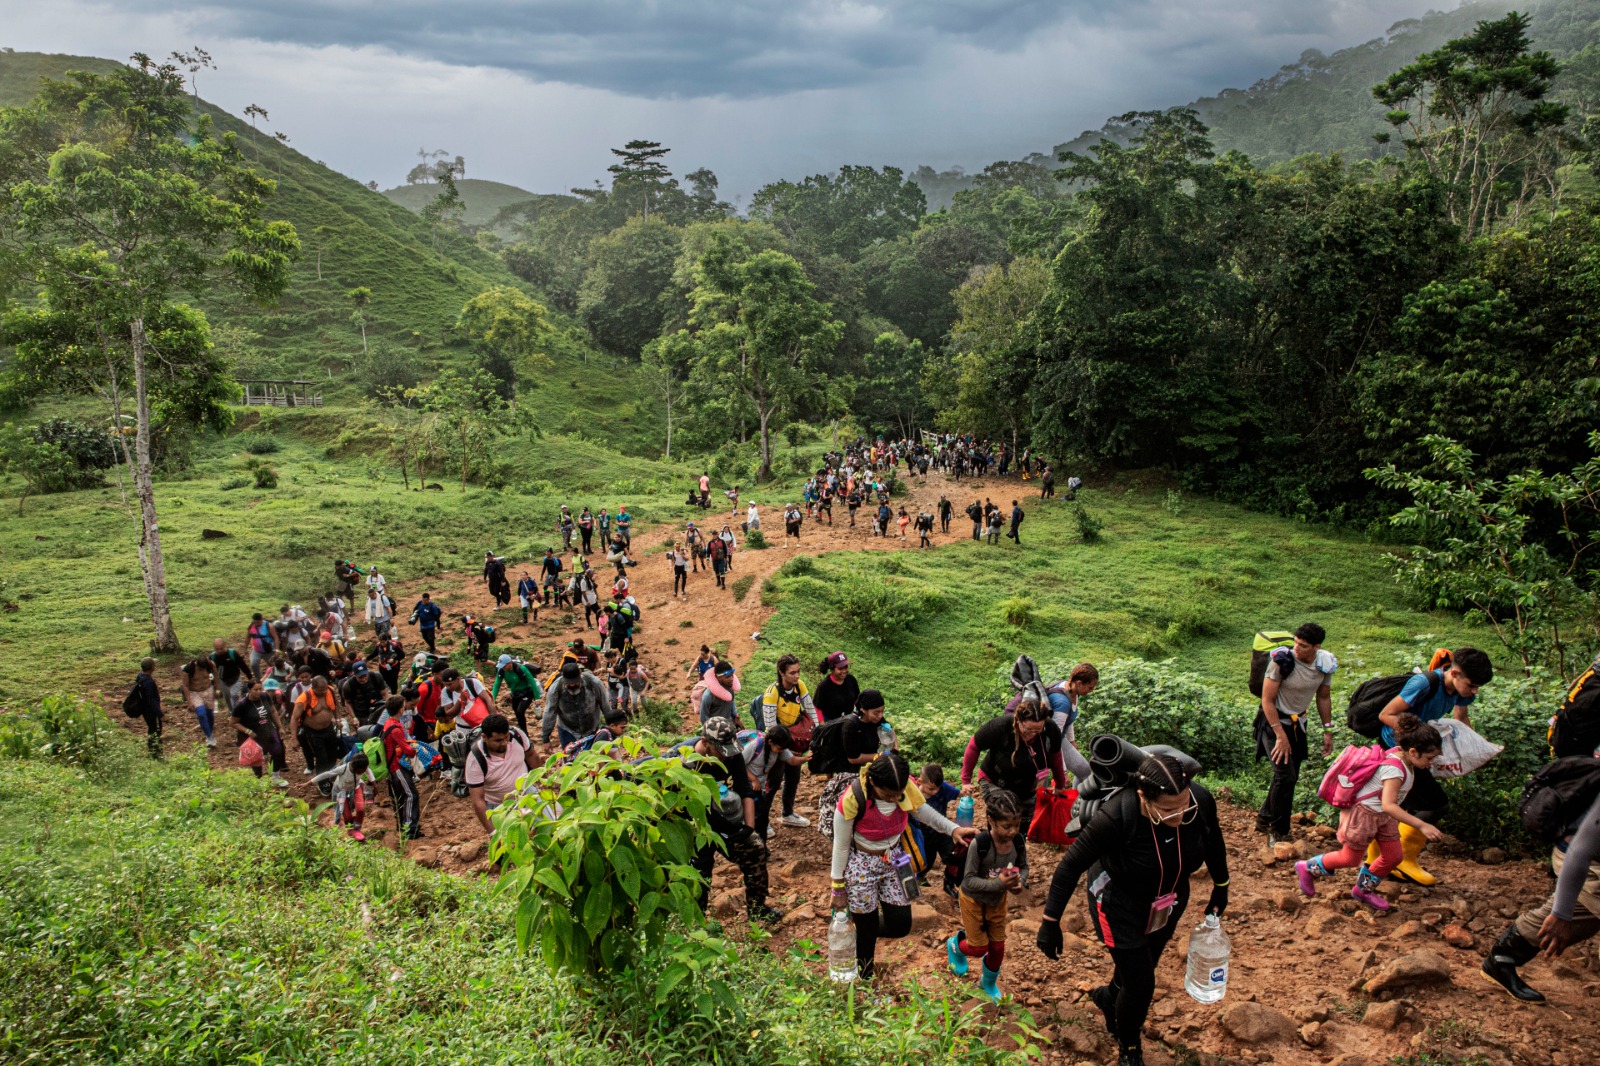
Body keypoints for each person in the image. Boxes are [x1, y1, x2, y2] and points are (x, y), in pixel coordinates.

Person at [1036, 755, 1230, 1066]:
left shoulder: (1200, 802)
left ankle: (1108, 997)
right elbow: (1070, 865)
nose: (1180, 814)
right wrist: (1050, 921)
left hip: (1170, 899)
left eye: (1184, 804)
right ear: (1143, 796)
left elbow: (1214, 841)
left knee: (1142, 967)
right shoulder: (1118, 815)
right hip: (1117, 903)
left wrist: (1222, 885)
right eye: (1168, 809)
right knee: (1141, 985)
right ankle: (1128, 1045)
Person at [829, 751, 976, 980]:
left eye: (898, 796)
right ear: (874, 782)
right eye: (888, 795)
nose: (894, 800)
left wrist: (953, 829)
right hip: (862, 865)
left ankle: (860, 928)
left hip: (895, 859)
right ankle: (865, 979)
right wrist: (837, 888)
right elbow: (840, 846)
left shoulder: (904, 787)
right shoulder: (853, 798)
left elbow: (922, 811)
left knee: (900, 925)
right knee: (867, 937)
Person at [1295, 714, 1444, 911]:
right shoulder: (1395, 770)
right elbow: (1389, 804)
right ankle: (1307, 867)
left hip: (1383, 816)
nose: (1431, 763)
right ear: (1414, 752)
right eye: (1429, 758)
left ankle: (1363, 890)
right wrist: (1422, 824)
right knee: (1350, 859)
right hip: (1364, 815)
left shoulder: (1405, 757)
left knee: (1393, 856)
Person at [1371, 646, 1494, 884]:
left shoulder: (1462, 691)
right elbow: (1386, 715)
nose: (1475, 691)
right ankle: (1401, 860)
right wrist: (1419, 738)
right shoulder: (1423, 684)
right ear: (1455, 673)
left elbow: (1461, 717)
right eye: (1472, 685)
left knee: (1403, 804)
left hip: (1419, 750)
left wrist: (1476, 750)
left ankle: (1377, 858)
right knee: (1435, 804)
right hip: (1399, 749)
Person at [1483, 786, 1600, 1002]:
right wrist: (1561, 913)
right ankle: (1502, 958)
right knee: (1583, 910)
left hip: (1585, 854)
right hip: (1584, 858)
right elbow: (1580, 852)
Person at [668, 717, 783, 923]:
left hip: (725, 820)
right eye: (721, 750)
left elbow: (744, 789)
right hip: (694, 825)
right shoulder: (681, 759)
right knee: (700, 872)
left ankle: (758, 910)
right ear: (705, 742)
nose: (725, 755)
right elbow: (643, 770)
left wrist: (748, 828)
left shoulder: (731, 753)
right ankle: (697, 922)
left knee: (755, 850)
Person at [1255, 623, 1337, 846]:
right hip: (1273, 723)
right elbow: (1267, 701)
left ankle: (1264, 818)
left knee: (1289, 775)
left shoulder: (1324, 665)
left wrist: (1327, 731)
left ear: (1316, 647)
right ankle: (1278, 830)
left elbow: (1323, 697)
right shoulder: (1281, 662)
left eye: (1303, 645)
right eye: (1295, 642)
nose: (1296, 648)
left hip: (1298, 724)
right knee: (1285, 776)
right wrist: (1280, 736)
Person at [948, 789, 1028, 1002]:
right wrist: (998, 883)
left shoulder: (1018, 842)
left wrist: (1020, 882)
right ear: (991, 821)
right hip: (973, 899)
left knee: (997, 947)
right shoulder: (980, 844)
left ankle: (988, 983)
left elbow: (1024, 867)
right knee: (977, 947)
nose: (1012, 831)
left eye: (1016, 825)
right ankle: (955, 945)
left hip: (997, 901)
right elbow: (968, 880)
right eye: (1006, 826)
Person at [960, 699, 1067, 837]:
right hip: (996, 781)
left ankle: (1017, 853)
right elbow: (974, 746)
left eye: (1038, 729)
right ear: (1018, 721)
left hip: (1027, 786)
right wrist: (966, 780)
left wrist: (1060, 783)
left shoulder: (1050, 730)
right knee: (1004, 817)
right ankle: (994, 850)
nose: (1033, 733)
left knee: (1020, 826)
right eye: (1028, 729)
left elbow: (1056, 756)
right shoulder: (1001, 726)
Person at [817, 689, 892, 837]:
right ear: (863, 710)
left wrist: (892, 745)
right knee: (853, 806)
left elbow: (890, 733)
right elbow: (853, 758)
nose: (880, 716)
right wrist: (879, 756)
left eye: (882, 711)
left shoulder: (877, 720)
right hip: (850, 772)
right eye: (876, 712)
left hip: (868, 768)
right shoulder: (850, 726)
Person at [761, 655, 818, 828]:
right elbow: (771, 728)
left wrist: (817, 731)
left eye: (798, 671)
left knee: (793, 778)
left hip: (795, 739)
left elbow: (810, 709)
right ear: (781, 673)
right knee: (773, 781)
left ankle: (788, 813)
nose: (797, 676)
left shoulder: (799, 687)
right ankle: (763, 820)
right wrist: (785, 753)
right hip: (777, 743)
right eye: (792, 673)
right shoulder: (772, 694)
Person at [464, 714, 538, 835]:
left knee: (548, 826)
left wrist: (544, 780)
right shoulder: (475, 759)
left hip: (527, 794)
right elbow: (478, 800)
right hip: (499, 806)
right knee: (512, 843)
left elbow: (531, 755)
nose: (504, 743)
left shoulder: (517, 736)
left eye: (506, 737)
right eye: (498, 740)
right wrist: (493, 833)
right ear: (484, 737)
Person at [743, 725, 805, 843]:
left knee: (761, 812)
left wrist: (805, 759)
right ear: (771, 742)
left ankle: (761, 839)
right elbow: (739, 764)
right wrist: (753, 780)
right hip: (748, 784)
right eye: (780, 748)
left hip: (760, 786)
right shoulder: (755, 746)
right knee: (753, 812)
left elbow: (791, 760)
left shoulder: (778, 746)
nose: (781, 751)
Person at [290, 676, 352, 778]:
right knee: (321, 757)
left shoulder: (330, 691)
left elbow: (335, 705)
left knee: (332, 753)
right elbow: (294, 718)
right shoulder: (304, 698)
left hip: (328, 727)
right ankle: (322, 780)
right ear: (313, 688)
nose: (324, 692)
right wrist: (294, 738)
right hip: (313, 731)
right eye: (320, 690)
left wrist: (337, 719)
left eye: (325, 689)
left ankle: (331, 775)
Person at [232, 680, 288, 787]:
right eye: (255, 690)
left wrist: (280, 726)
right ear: (249, 690)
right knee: (257, 757)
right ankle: (259, 780)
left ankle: (275, 776)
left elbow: (273, 711)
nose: (258, 692)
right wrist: (247, 731)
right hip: (255, 734)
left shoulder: (265, 697)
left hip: (269, 729)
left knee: (278, 751)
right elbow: (233, 723)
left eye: (260, 689)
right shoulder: (242, 705)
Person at [541, 662, 610, 748]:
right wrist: (545, 738)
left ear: (580, 674)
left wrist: (611, 726)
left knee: (592, 758)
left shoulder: (593, 683)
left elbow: (605, 705)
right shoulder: (555, 689)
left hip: (592, 728)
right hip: (567, 730)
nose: (572, 684)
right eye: (569, 682)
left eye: (575, 681)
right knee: (570, 759)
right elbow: (549, 712)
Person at [919, 762, 962, 895]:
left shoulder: (942, 787)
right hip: (925, 836)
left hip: (943, 832)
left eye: (937, 788)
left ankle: (949, 883)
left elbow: (957, 793)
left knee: (952, 857)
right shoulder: (915, 796)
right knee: (926, 861)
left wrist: (965, 792)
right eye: (931, 789)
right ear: (920, 781)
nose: (935, 792)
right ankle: (919, 879)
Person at [311, 751, 375, 839]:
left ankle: (357, 829)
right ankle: (350, 829)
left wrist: (375, 786)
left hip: (355, 788)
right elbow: (327, 774)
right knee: (347, 816)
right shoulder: (343, 769)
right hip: (341, 792)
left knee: (360, 810)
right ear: (355, 768)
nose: (363, 772)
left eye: (364, 769)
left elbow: (369, 772)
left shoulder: (363, 766)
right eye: (361, 771)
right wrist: (310, 782)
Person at [381, 709, 422, 839]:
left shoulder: (388, 723)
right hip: (397, 766)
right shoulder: (396, 729)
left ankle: (402, 825)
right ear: (400, 709)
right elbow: (408, 750)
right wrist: (416, 749)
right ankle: (409, 828)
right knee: (411, 794)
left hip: (392, 766)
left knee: (399, 796)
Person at [492, 654, 544, 735]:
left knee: (520, 711)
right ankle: (523, 733)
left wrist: (537, 698)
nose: (502, 668)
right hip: (515, 693)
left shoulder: (521, 668)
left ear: (509, 663)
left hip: (527, 692)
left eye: (504, 666)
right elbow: (496, 685)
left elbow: (532, 682)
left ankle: (525, 734)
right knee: (517, 713)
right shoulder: (501, 671)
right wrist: (492, 699)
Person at [180, 656, 218, 748]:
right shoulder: (188, 669)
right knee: (201, 714)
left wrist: (217, 691)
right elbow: (185, 686)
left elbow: (216, 676)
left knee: (210, 715)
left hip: (208, 690)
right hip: (195, 693)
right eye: (200, 668)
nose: (202, 670)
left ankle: (209, 732)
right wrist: (189, 701)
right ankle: (209, 737)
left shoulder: (210, 665)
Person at [812, 651, 860, 724]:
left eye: (846, 667)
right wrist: (822, 726)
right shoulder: (824, 686)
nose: (844, 671)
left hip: (848, 720)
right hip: (830, 723)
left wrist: (856, 714)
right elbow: (817, 708)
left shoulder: (851, 680)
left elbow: (858, 699)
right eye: (840, 668)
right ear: (832, 668)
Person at [210, 638, 254, 716]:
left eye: (221, 648)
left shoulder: (232, 653)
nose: (219, 651)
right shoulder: (212, 657)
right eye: (217, 649)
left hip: (235, 678)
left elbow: (242, 665)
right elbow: (210, 671)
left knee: (234, 695)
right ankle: (232, 711)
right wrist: (213, 682)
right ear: (214, 648)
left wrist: (250, 677)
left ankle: (237, 711)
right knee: (227, 697)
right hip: (222, 680)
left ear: (225, 645)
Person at [131, 656, 163, 756]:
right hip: (151, 711)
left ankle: (152, 751)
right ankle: (155, 753)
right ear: (152, 667)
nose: (155, 666)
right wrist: (160, 714)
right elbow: (151, 700)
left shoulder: (140, 676)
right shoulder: (149, 682)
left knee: (151, 729)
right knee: (155, 731)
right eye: (154, 664)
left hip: (144, 709)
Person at [340, 661, 389, 726]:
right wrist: (354, 718)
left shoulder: (376, 677)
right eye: (360, 677)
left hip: (379, 708)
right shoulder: (348, 686)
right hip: (362, 714)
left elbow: (384, 694)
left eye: (365, 676)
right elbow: (348, 703)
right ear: (354, 674)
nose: (363, 679)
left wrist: (389, 707)